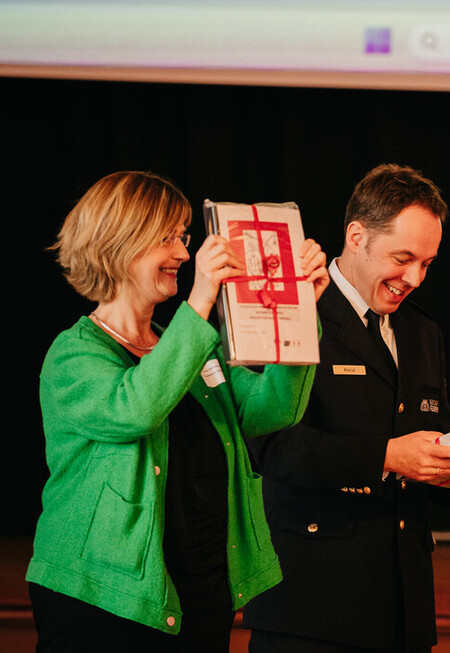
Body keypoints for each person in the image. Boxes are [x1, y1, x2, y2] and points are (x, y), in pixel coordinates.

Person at [26, 171, 330, 652]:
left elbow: (270, 411)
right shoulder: (73, 356)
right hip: (104, 600)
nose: (184, 254)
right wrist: (202, 299)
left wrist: (300, 311)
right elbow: (136, 409)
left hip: (199, 593)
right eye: (167, 238)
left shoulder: (185, 345)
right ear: (119, 243)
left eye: (183, 237)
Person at [243, 163, 450, 652]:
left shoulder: (421, 331)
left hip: (402, 607)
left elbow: (433, 436)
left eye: (427, 263)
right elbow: (269, 447)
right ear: (356, 235)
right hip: (310, 607)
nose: (414, 277)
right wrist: (385, 457)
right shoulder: (289, 309)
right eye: (403, 257)